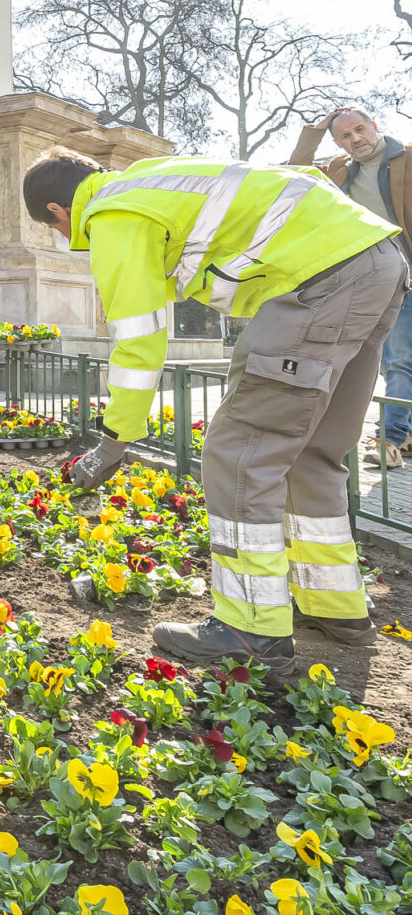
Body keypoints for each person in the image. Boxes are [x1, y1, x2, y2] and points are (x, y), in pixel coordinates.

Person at [24, 145, 408, 666]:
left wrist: (113, 441)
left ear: (57, 212)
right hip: (374, 259)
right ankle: (335, 607)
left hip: (320, 280)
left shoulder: (113, 213)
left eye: (56, 230)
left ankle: (250, 627)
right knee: (310, 451)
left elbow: (139, 340)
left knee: (240, 450)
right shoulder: (153, 183)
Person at [288, 106, 412, 470]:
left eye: (360, 129)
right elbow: (297, 176)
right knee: (397, 361)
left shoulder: (407, 157)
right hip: (384, 282)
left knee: (399, 362)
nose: (355, 139)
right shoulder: (340, 171)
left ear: (374, 126)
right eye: (345, 135)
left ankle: (399, 435)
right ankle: (391, 439)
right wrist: (313, 132)